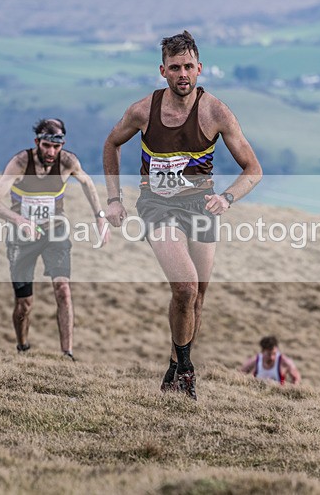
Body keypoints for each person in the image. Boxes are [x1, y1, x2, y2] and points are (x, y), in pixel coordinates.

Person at [102, 31, 262, 400]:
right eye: (175, 68)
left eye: (189, 66)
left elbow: (253, 169)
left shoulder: (216, 112)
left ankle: (175, 366)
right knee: (185, 288)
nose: (183, 74)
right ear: (163, 71)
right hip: (157, 207)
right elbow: (112, 143)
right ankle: (188, 370)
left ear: (200, 68)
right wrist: (114, 199)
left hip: (201, 207)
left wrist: (227, 198)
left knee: (198, 296)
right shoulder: (143, 110)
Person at [0, 118, 109, 359]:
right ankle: (23, 346)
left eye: (56, 146)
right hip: (22, 237)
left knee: (63, 289)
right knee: (25, 303)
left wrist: (100, 217)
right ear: (37, 143)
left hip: (55, 232)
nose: (51, 152)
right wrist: (19, 220)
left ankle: (67, 353)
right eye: (46, 146)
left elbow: (87, 182)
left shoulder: (67, 162)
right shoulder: (21, 162)